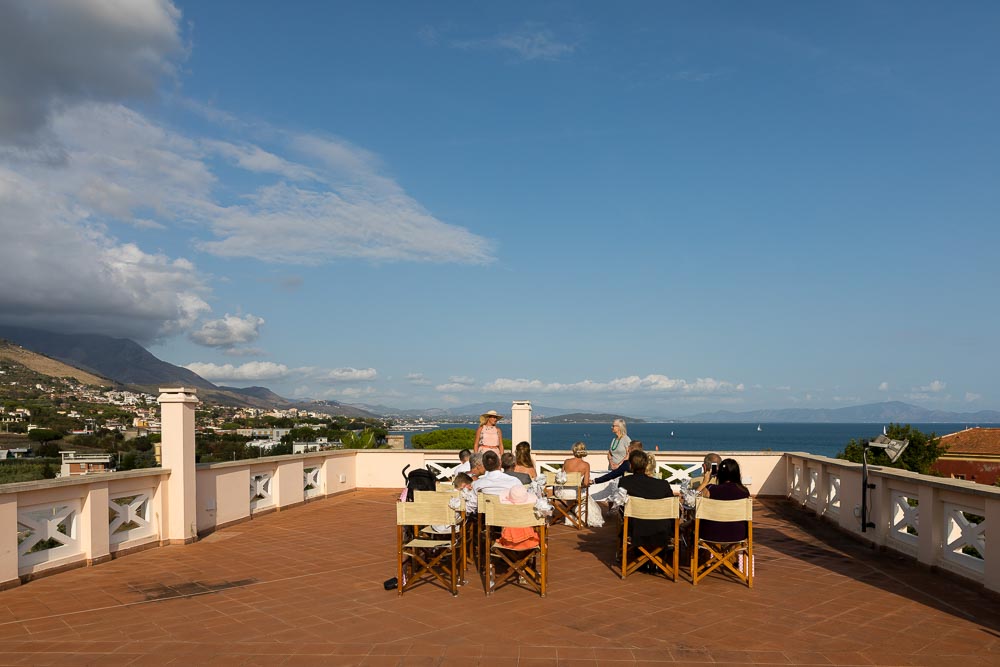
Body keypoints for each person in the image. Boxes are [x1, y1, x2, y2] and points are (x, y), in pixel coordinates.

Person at [618, 450, 675, 551]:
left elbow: (621, 507)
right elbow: (674, 510)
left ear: (631, 465)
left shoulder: (625, 482)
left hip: (635, 530)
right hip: (661, 531)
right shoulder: (663, 485)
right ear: (645, 465)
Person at [699, 458, 751, 542]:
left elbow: (692, 501)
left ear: (720, 473)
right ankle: (731, 553)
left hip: (710, 534)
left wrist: (705, 482)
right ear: (737, 473)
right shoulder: (744, 492)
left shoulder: (710, 489)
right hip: (738, 535)